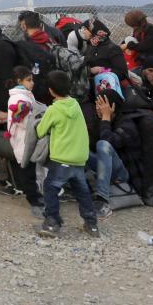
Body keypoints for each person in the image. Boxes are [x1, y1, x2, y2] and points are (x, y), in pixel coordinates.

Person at [36, 70, 98, 238]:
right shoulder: (75, 105)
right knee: (82, 191)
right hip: (79, 158)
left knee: (51, 187)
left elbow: (40, 131)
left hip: (62, 158)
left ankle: (52, 223)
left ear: (50, 90)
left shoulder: (53, 109)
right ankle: (91, 225)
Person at [89, 89, 138, 220]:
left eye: (102, 105)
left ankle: (102, 200)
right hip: (106, 168)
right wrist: (102, 120)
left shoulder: (127, 122)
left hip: (123, 173)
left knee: (103, 144)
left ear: (113, 106)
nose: (98, 109)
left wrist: (105, 119)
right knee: (82, 152)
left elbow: (107, 143)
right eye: (97, 105)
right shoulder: (100, 119)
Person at [5, 67, 46, 218]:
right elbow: (24, 121)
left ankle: (36, 195)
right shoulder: (18, 99)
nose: (32, 83)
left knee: (31, 169)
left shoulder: (25, 95)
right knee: (27, 170)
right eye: (29, 80)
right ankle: (34, 201)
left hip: (29, 139)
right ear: (19, 81)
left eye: (32, 79)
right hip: (24, 139)